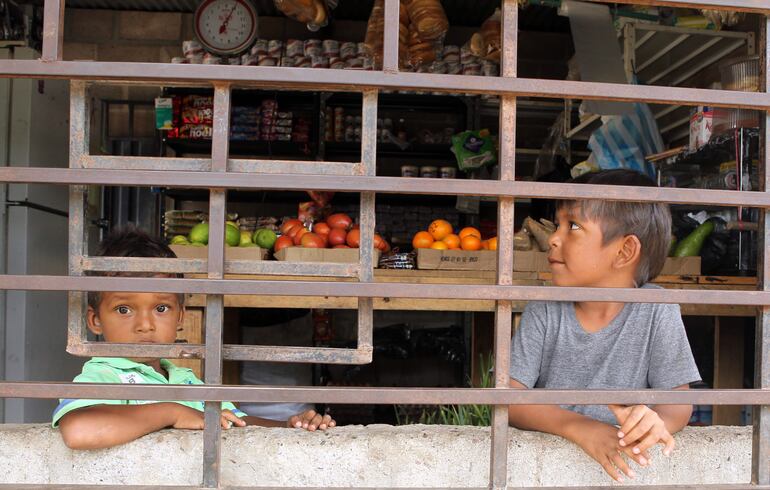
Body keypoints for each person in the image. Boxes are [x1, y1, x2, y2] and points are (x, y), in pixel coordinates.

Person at [52, 226, 335, 450]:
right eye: (123, 309)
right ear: (95, 320)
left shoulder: (184, 378)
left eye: (161, 308)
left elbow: (233, 421)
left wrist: (288, 427)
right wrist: (172, 413)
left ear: (180, 316)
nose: (145, 325)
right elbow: (79, 431)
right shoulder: (103, 375)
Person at [508, 169, 701, 482]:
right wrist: (581, 428)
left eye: (573, 226)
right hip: (546, 473)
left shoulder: (656, 310)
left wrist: (655, 423)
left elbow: (678, 405)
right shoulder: (544, 309)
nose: (554, 238)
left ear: (624, 252)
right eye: (558, 225)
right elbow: (510, 400)